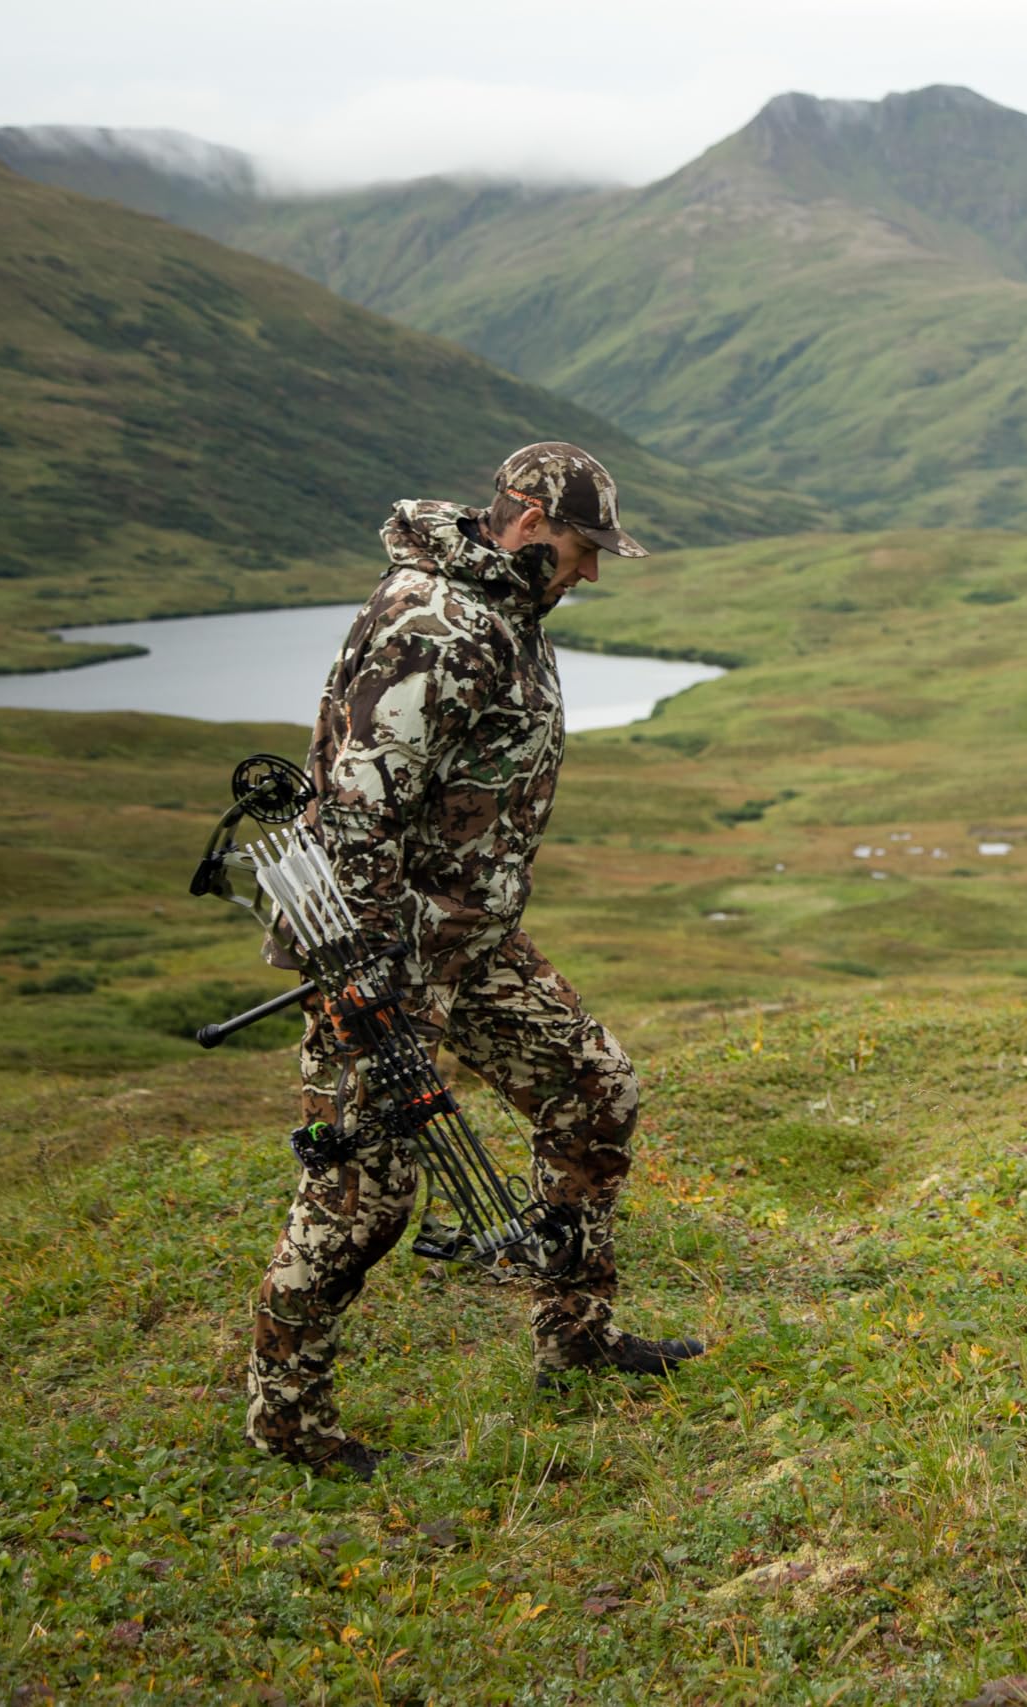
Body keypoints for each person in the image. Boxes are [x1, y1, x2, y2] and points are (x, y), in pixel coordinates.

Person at [246, 442, 705, 1478]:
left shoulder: (506, 609)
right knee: (364, 1198)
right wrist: (366, 976)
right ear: (531, 522)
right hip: (379, 960)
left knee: (593, 1089)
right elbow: (354, 815)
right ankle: (289, 1422)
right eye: (583, 548)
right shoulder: (436, 624)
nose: (591, 571)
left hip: (469, 940)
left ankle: (575, 1340)